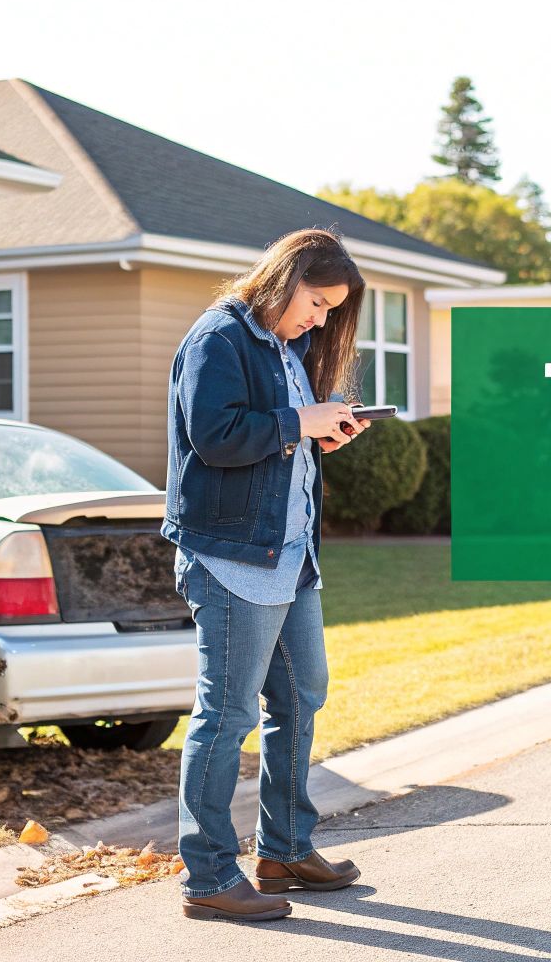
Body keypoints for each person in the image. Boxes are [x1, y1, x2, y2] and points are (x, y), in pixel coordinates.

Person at [160, 228, 374, 922]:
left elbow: (279, 446)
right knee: (226, 715)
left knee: (303, 694)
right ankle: (208, 877)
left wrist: (322, 429)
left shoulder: (286, 347)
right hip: (230, 561)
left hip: (288, 558)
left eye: (329, 311)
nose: (319, 320)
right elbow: (215, 438)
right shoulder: (217, 339)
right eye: (315, 303)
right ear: (284, 280)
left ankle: (283, 849)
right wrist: (297, 420)